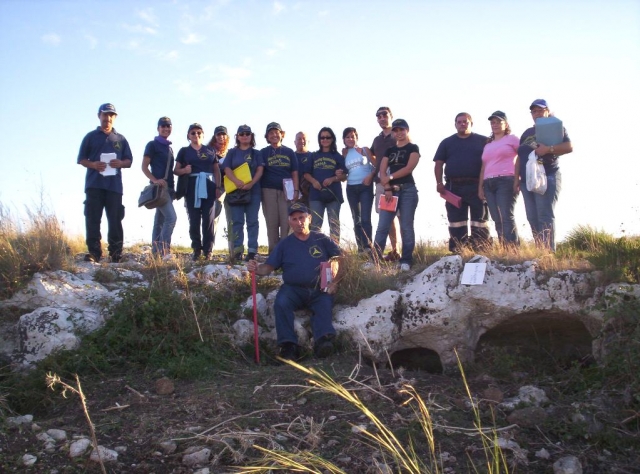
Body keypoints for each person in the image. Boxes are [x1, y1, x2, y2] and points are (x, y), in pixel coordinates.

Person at [246, 202, 343, 360]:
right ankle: (288, 346)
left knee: (324, 304)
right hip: (293, 289)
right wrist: (255, 268)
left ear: (309, 218)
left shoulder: (322, 239)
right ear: (289, 221)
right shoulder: (284, 244)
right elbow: (268, 268)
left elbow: (341, 257)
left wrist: (335, 282)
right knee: (281, 303)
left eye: (302, 217)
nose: (299, 222)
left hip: (320, 288)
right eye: (294, 219)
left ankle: (323, 341)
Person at [77, 103, 132, 263]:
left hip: (114, 186)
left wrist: (120, 163)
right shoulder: (90, 137)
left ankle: (116, 253)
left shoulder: (120, 139)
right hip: (94, 185)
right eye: (105, 114)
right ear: (99, 116)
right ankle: (94, 253)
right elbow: (81, 159)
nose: (107, 118)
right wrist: (93, 165)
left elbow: (129, 161)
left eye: (111, 115)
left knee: (115, 219)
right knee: (93, 218)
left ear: (114, 118)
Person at [515, 99, 573, 251]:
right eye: (534, 111)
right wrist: (516, 179)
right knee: (532, 216)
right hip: (527, 179)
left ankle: (548, 253)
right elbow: (519, 157)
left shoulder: (554, 127)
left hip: (547, 174)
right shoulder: (526, 133)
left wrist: (548, 149)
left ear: (547, 111)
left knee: (544, 214)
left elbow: (568, 146)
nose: (537, 114)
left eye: (540, 110)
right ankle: (540, 249)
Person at [434, 112, 490, 252]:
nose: (462, 124)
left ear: (471, 123)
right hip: (454, 187)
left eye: (465, 121)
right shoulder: (447, 142)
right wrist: (439, 183)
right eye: (459, 122)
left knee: (480, 220)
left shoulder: (484, 141)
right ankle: (458, 250)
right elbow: (438, 164)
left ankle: (481, 249)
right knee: (456, 221)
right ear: (455, 124)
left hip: (477, 185)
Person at [373, 119, 420, 272]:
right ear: (393, 132)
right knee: (382, 226)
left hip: (407, 190)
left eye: (402, 130)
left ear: (407, 130)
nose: (399, 133)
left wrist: (390, 177)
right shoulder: (390, 150)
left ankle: (406, 260)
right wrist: (386, 186)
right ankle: (375, 260)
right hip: (390, 192)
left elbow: (408, 168)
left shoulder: (413, 148)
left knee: (406, 226)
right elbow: (382, 169)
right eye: (396, 130)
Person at [174, 123, 222, 261]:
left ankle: (208, 250)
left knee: (209, 219)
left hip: (209, 186)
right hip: (191, 186)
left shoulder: (210, 150)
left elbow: (216, 170)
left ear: (203, 134)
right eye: (193, 133)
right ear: (188, 135)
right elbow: (176, 170)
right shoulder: (184, 151)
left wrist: (218, 187)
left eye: (199, 132)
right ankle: (196, 249)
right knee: (194, 219)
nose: (196, 135)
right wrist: (184, 171)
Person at [478, 111, 520, 247]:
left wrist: (518, 178)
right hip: (488, 182)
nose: (495, 125)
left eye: (498, 122)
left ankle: (512, 248)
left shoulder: (512, 139)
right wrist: (480, 187)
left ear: (506, 124)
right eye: (492, 122)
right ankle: (503, 247)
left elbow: (523, 156)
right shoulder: (488, 144)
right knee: (496, 218)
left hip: (506, 179)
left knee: (505, 216)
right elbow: (484, 166)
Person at [223, 125, 264, 262]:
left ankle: (252, 250)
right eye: (242, 134)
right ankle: (237, 250)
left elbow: (260, 169)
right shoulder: (232, 152)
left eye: (247, 133)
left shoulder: (256, 153)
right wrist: (236, 181)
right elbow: (227, 168)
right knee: (237, 222)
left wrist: (251, 183)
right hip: (236, 191)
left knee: (252, 221)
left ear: (251, 136)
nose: (245, 136)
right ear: (237, 136)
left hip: (254, 191)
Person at [260, 122, 300, 253]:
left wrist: (296, 190)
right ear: (267, 136)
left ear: (282, 134)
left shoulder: (289, 152)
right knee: (271, 222)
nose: (274, 135)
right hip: (268, 190)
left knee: (286, 222)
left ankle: (285, 252)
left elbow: (295, 172)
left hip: (286, 191)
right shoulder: (263, 152)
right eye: (270, 133)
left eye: (276, 132)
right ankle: (273, 253)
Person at [141, 116, 177, 258]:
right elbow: (144, 167)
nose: (166, 128)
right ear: (158, 128)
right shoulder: (152, 145)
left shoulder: (170, 148)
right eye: (163, 126)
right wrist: (155, 180)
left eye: (168, 126)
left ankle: (156, 253)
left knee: (160, 220)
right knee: (171, 218)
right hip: (159, 189)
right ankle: (163, 250)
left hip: (169, 189)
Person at [303, 127, 346, 243]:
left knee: (334, 223)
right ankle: (316, 250)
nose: (325, 139)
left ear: (332, 139)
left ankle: (335, 251)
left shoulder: (337, 156)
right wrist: (314, 181)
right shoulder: (313, 155)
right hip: (316, 194)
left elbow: (344, 176)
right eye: (322, 137)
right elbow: (306, 174)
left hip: (333, 194)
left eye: (328, 137)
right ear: (319, 140)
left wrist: (333, 178)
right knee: (316, 224)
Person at [370, 107, 401, 261]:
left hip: (399, 181)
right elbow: (372, 155)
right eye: (379, 116)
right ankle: (395, 250)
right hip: (381, 182)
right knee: (386, 218)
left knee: (402, 217)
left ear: (391, 116)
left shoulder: (398, 134)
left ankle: (404, 252)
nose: (382, 118)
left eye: (384, 115)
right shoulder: (377, 140)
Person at [342, 127, 375, 253]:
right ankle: (360, 248)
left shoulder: (364, 150)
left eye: (352, 136)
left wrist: (371, 176)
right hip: (351, 187)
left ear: (356, 137)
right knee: (356, 218)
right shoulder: (344, 153)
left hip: (365, 186)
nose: (350, 139)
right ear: (344, 140)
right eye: (347, 137)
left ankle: (368, 246)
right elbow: (344, 172)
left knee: (365, 217)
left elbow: (376, 165)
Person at [207, 125, 231, 253]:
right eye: (218, 135)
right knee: (213, 217)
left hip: (230, 188)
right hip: (215, 187)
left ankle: (233, 249)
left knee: (230, 217)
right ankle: (209, 248)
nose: (221, 137)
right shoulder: (209, 151)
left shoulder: (230, 152)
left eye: (223, 134)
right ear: (214, 136)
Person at [294, 131, 311, 207]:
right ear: (295, 142)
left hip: (310, 194)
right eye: (299, 139)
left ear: (308, 142)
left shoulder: (313, 156)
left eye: (304, 139)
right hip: (295, 194)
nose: (302, 141)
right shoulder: (291, 156)